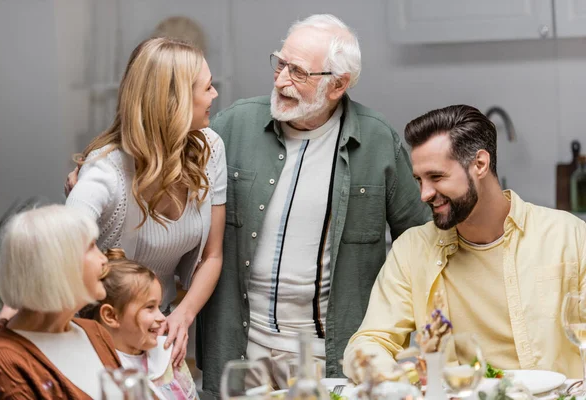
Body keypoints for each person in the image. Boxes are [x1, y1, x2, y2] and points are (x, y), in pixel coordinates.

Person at [197, 14, 430, 394]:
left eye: (299, 73)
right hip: (242, 349)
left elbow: (421, 243)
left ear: (338, 84)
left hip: (329, 356)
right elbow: (171, 188)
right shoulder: (233, 125)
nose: (281, 80)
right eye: (281, 63)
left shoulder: (376, 141)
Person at [343, 105, 586, 381]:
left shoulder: (570, 236)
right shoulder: (412, 250)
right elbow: (368, 344)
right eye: (419, 180)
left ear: (480, 164)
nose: (424, 194)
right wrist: (401, 378)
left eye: (436, 177)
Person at [66, 36, 227, 368]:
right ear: (176, 101)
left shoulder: (210, 149)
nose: (215, 95)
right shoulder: (105, 171)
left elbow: (213, 255)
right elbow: (57, 251)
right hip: (100, 343)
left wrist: (184, 315)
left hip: (159, 331)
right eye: (207, 88)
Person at [0, 205, 121, 399]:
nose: (103, 259)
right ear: (56, 264)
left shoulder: (96, 332)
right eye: (91, 246)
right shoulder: (1, 360)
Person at [81, 248, 199, 400]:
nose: (162, 318)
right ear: (111, 316)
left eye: (159, 306)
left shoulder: (168, 355)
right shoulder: (93, 368)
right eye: (150, 307)